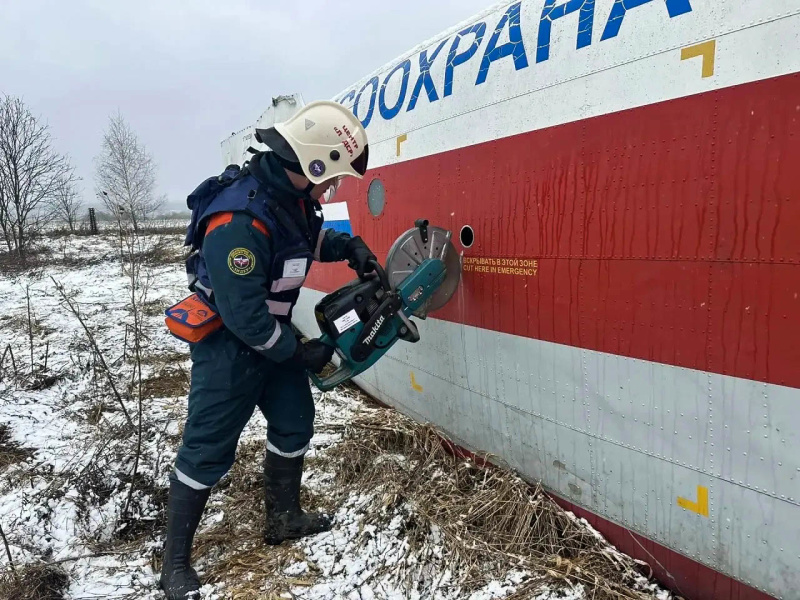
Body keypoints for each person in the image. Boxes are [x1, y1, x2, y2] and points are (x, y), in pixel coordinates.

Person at [160, 101, 375, 600]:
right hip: (229, 346)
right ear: (312, 163)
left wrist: (351, 249)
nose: (334, 188)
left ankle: (283, 517)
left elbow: (307, 239)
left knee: (295, 420)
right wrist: (299, 353)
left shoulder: (290, 198)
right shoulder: (239, 218)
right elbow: (245, 319)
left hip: (270, 335)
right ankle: (174, 565)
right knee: (207, 447)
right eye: (333, 177)